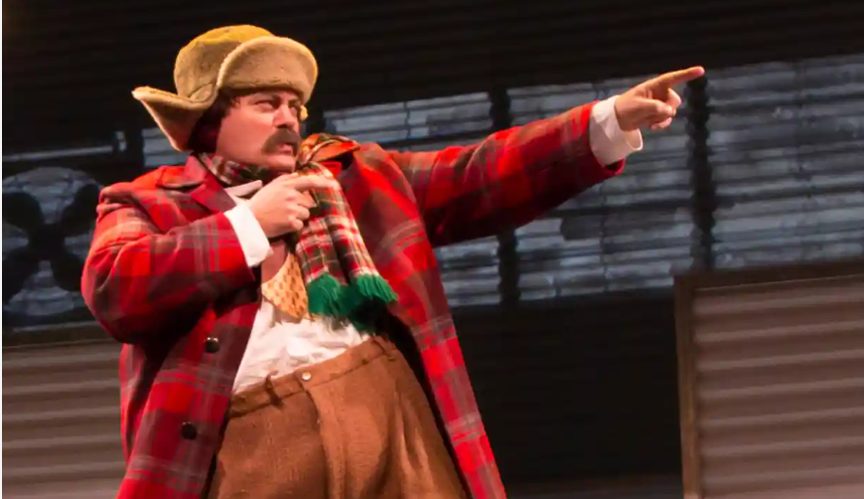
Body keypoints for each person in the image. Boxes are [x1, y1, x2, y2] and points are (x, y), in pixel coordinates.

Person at [81, 24, 704, 499]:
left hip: (386, 414)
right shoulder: (149, 202)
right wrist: (248, 224)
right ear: (209, 120)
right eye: (266, 103)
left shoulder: (353, 174)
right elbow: (114, 288)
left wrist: (605, 122)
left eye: (295, 105)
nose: (289, 119)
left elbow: (478, 173)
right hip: (255, 443)